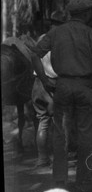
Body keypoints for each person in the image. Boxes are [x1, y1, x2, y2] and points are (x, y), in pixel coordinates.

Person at [29, 0, 92, 192]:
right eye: (90, 13)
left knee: (61, 135)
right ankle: (85, 182)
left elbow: (34, 55)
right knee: (87, 136)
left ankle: (59, 181)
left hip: (63, 86)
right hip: (86, 87)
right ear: (85, 14)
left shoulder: (55, 32)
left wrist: (44, 79)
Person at [31, 10, 69, 168]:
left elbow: (34, 59)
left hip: (38, 84)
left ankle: (42, 158)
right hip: (54, 84)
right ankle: (60, 159)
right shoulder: (63, 40)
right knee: (61, 123)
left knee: (43, 122)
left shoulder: (41, 38)